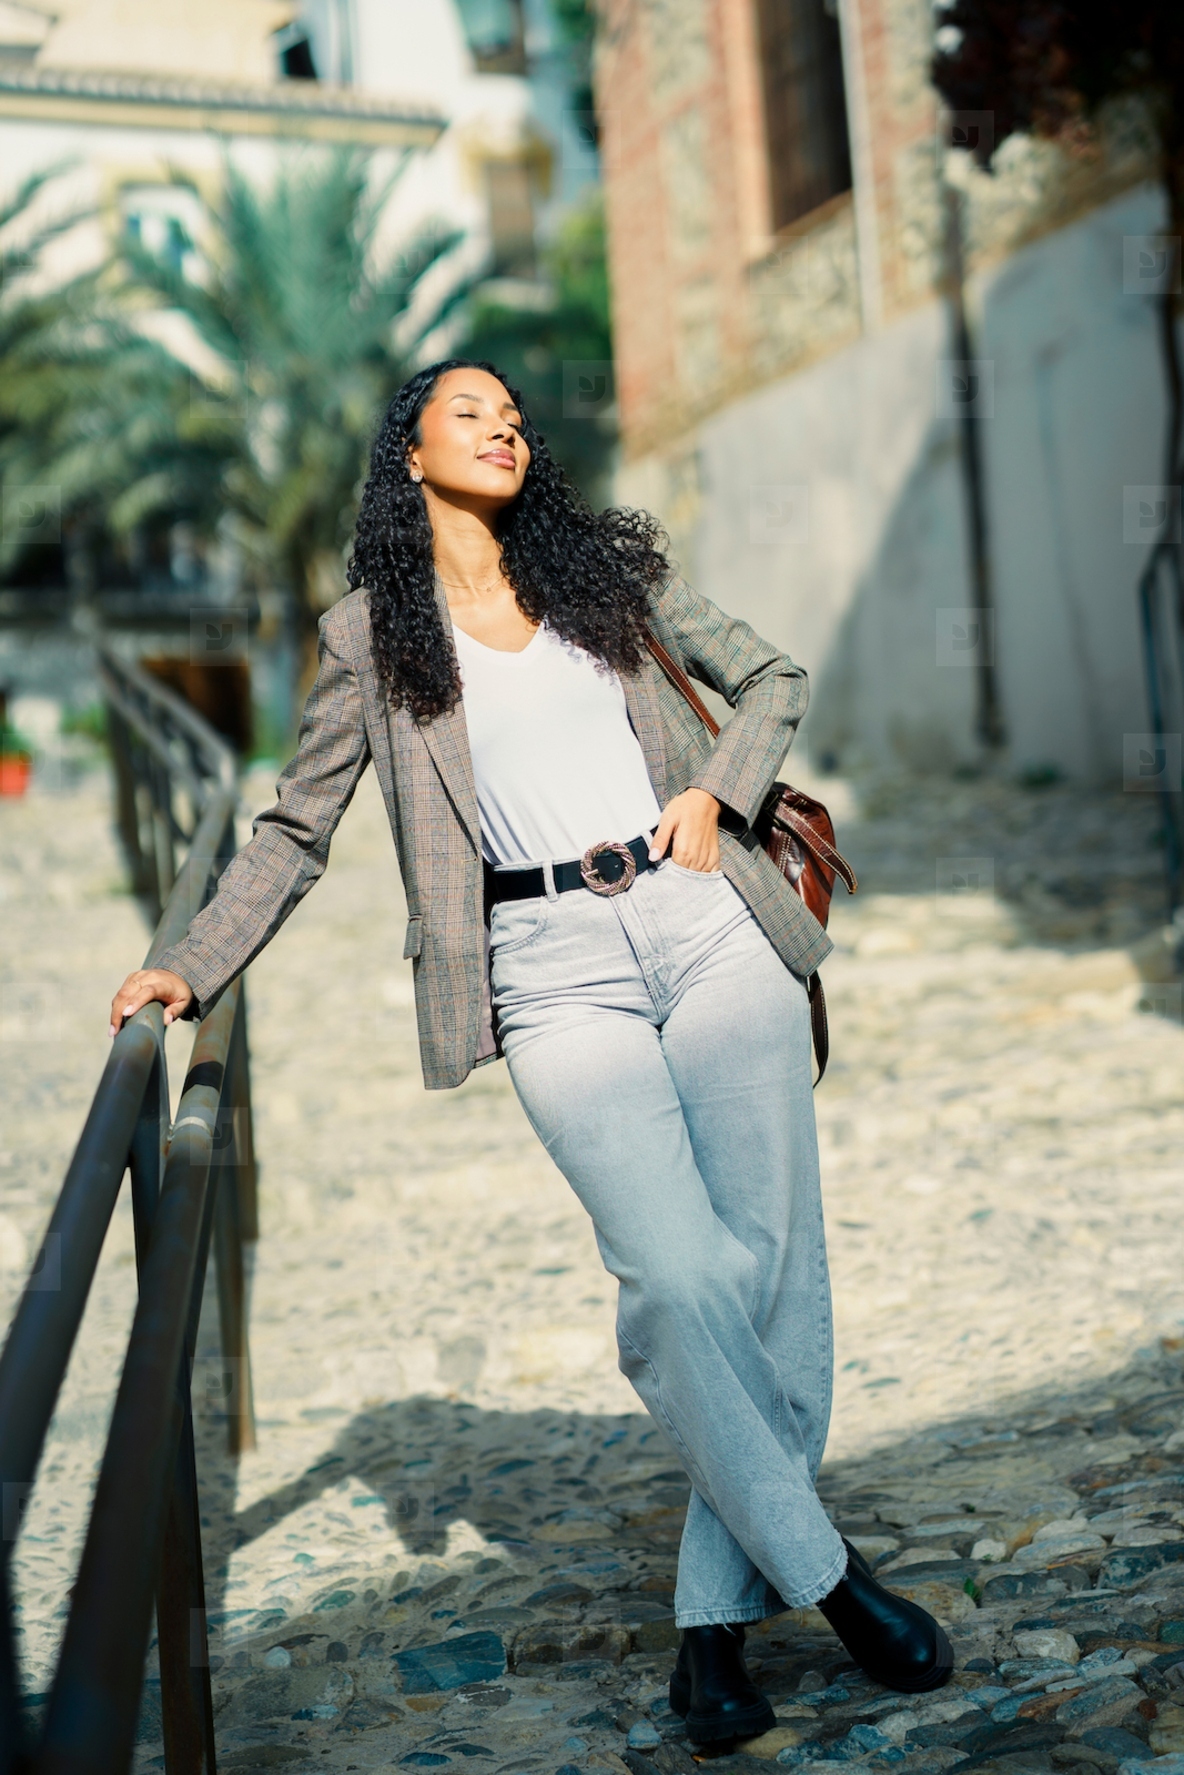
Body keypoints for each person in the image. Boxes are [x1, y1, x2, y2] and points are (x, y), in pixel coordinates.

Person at [110, 359, 952, 1740]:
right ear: (410, 454)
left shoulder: (605, 571)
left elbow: (773, 675)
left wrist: (713, 792)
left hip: (703, 920)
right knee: (678, 1277)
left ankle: (710, 1636)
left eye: (514, 412)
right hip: (549, 968)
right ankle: (836, 1581)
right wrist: (193, 965)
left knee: (772, 1272)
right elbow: (294, 828)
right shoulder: (372, 637)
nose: (502, 424)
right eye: (468, 411)